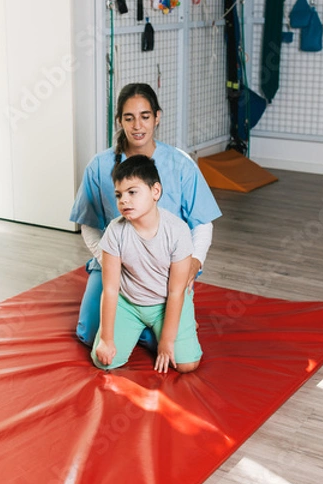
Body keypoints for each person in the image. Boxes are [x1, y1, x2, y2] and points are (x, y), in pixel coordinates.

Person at [70, 82, 221, 349]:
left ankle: (175, 317)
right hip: (115, 263)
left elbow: (202, 223)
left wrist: (195, 262)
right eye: (129, 118)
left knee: (158, 339)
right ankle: (148, 320)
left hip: (163, 267)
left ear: (157, 117)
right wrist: (107, 261)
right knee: (90, 334)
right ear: (119, 121)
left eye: (145, 116)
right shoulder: (100, 166)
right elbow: (89, 225)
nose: (137, 126)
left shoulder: (180, 165)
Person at [91, 155, 202, 373]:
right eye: (119, 195)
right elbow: (111, 289)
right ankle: (145, 330)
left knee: (187, 365)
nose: (124, 200)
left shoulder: (177, 230)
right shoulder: (115, 230)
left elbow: (176, 291)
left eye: (132, 192)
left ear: (155, 192)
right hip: (129, 302)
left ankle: (177, 325)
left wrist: (167, 342)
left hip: (164, 303)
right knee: (104, 361)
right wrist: (106, 339)